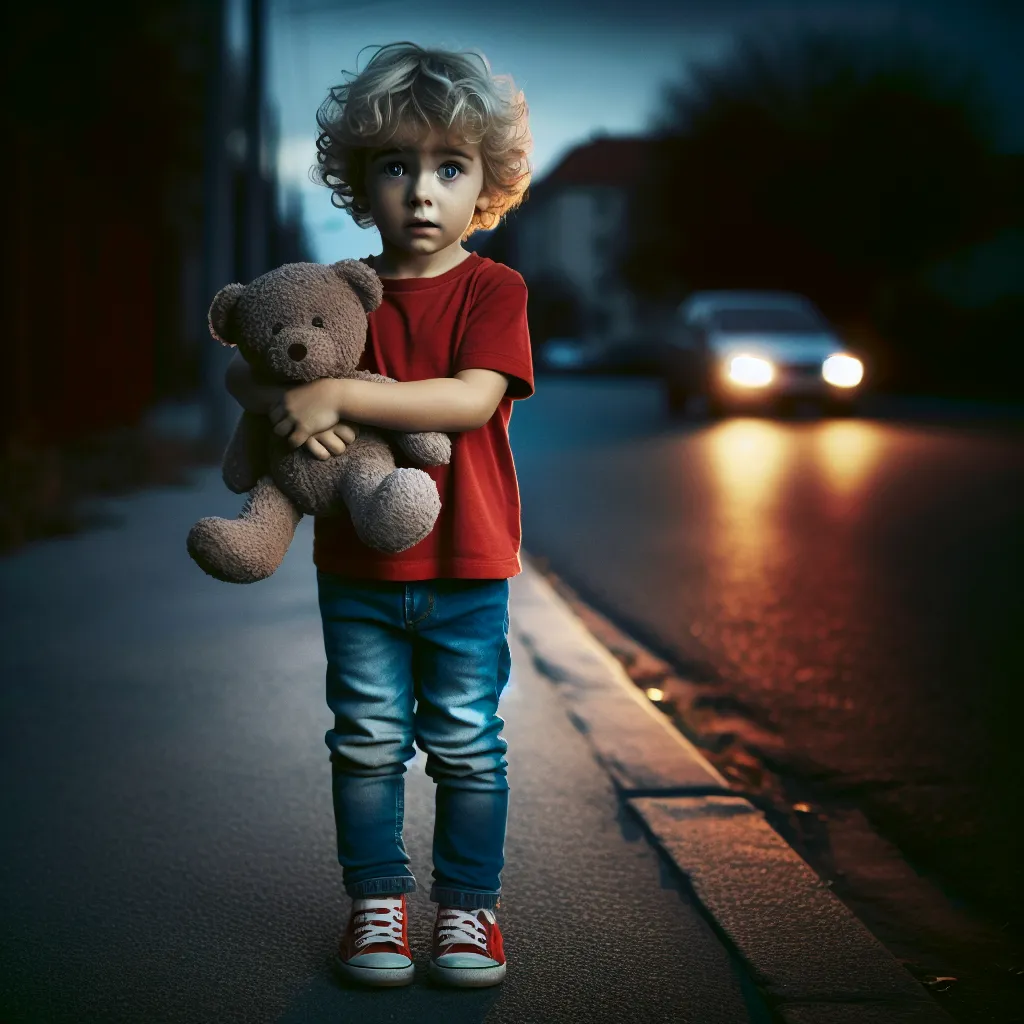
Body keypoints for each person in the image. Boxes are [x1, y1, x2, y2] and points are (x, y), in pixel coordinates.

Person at [223, 41, 533, 989]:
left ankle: (469, 913)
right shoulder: (334, 291)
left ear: (487, 183)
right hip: (356, 569)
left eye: (450, 167)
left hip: (468, 563)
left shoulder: (493, 288)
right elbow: (260, 366)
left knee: (469, 745)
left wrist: (342, 400)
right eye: (397, 166)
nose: (423, 191)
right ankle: (378, 905)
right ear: (361, 181)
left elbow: (469, 400)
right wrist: (285, 398)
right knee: (363, 743)